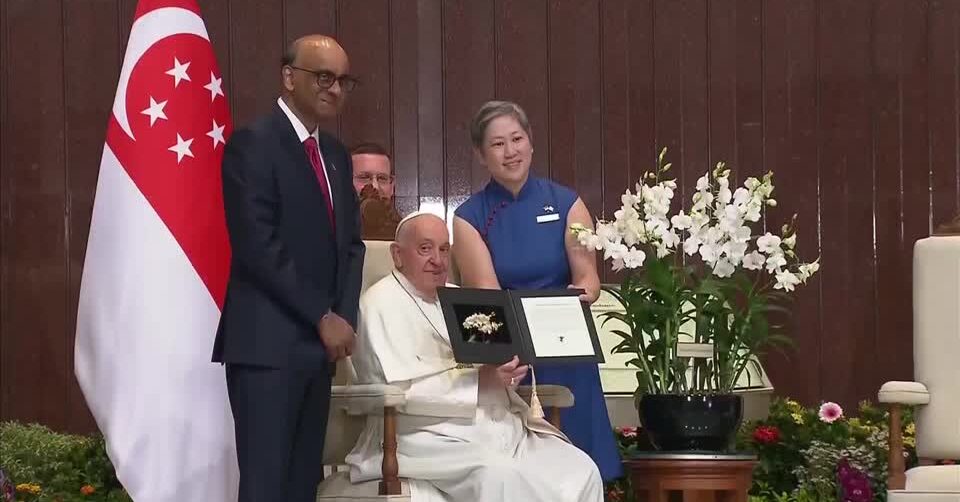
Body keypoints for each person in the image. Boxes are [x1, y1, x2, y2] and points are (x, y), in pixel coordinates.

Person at [347, 212, 603, 502]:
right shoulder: (378, 303)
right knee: (501, 475)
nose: (437, 260)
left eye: (444, 249)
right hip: (420, 435)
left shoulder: (461, 299)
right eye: (425, 248)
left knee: (580, 471)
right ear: (398, 255)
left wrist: (509, 370)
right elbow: (400, 391)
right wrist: (481, 383)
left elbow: (493, 368)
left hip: (495, 426)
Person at [213, 34, 365, 502]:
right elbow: (258, 247)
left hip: (319, 353)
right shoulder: (253, 145)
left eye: (343, 81)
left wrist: (341, 318)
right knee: (265, 486)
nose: (334, 89)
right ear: (288, 76)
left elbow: (351, 248)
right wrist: (322, 315)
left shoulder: (336, 155)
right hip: (267, 348)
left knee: (304, 485)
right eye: (323, 77)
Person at [452, 100, 623, 481]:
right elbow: (486, 298)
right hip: (512, 357)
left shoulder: (567, 203)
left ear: (530, 142)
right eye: (497, 144)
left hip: (565, 345)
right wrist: (505, 360)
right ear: (481, 155)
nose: (510, 151)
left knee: (584, 464)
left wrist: (583, 293)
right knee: (522, 472)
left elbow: (587, 277)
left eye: (517, 139)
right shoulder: (468, 217)